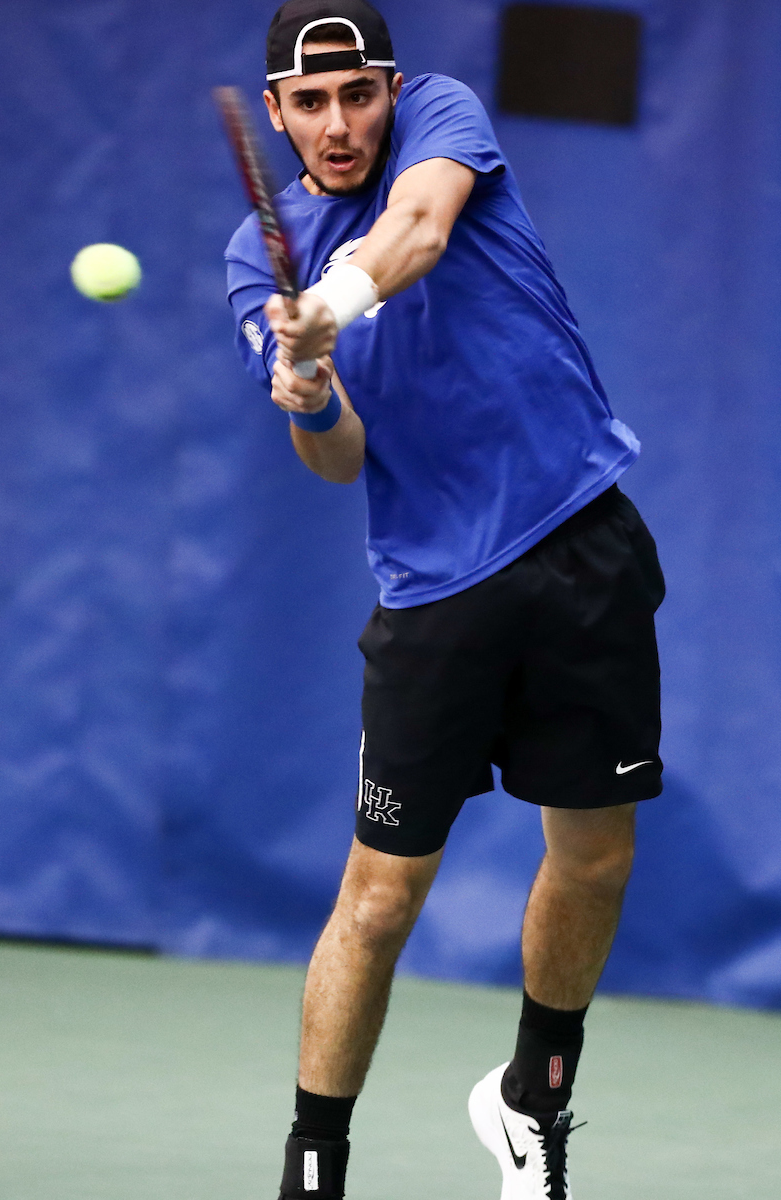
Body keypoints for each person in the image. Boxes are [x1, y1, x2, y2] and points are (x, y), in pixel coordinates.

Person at [225, 2, 665, 1197]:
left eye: (354, 92)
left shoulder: (440, 120)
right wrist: (307, 388)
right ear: (274, 113)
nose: (336, 121)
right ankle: (314, 1164)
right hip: (433, 600)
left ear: (391, 88)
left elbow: (417, 229)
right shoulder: (246, 264)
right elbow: (339, 458)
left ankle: (532, 1098)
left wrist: (334, 304)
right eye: (307, 102)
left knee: (594, 859)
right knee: (377, 899)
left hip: (579, 542)